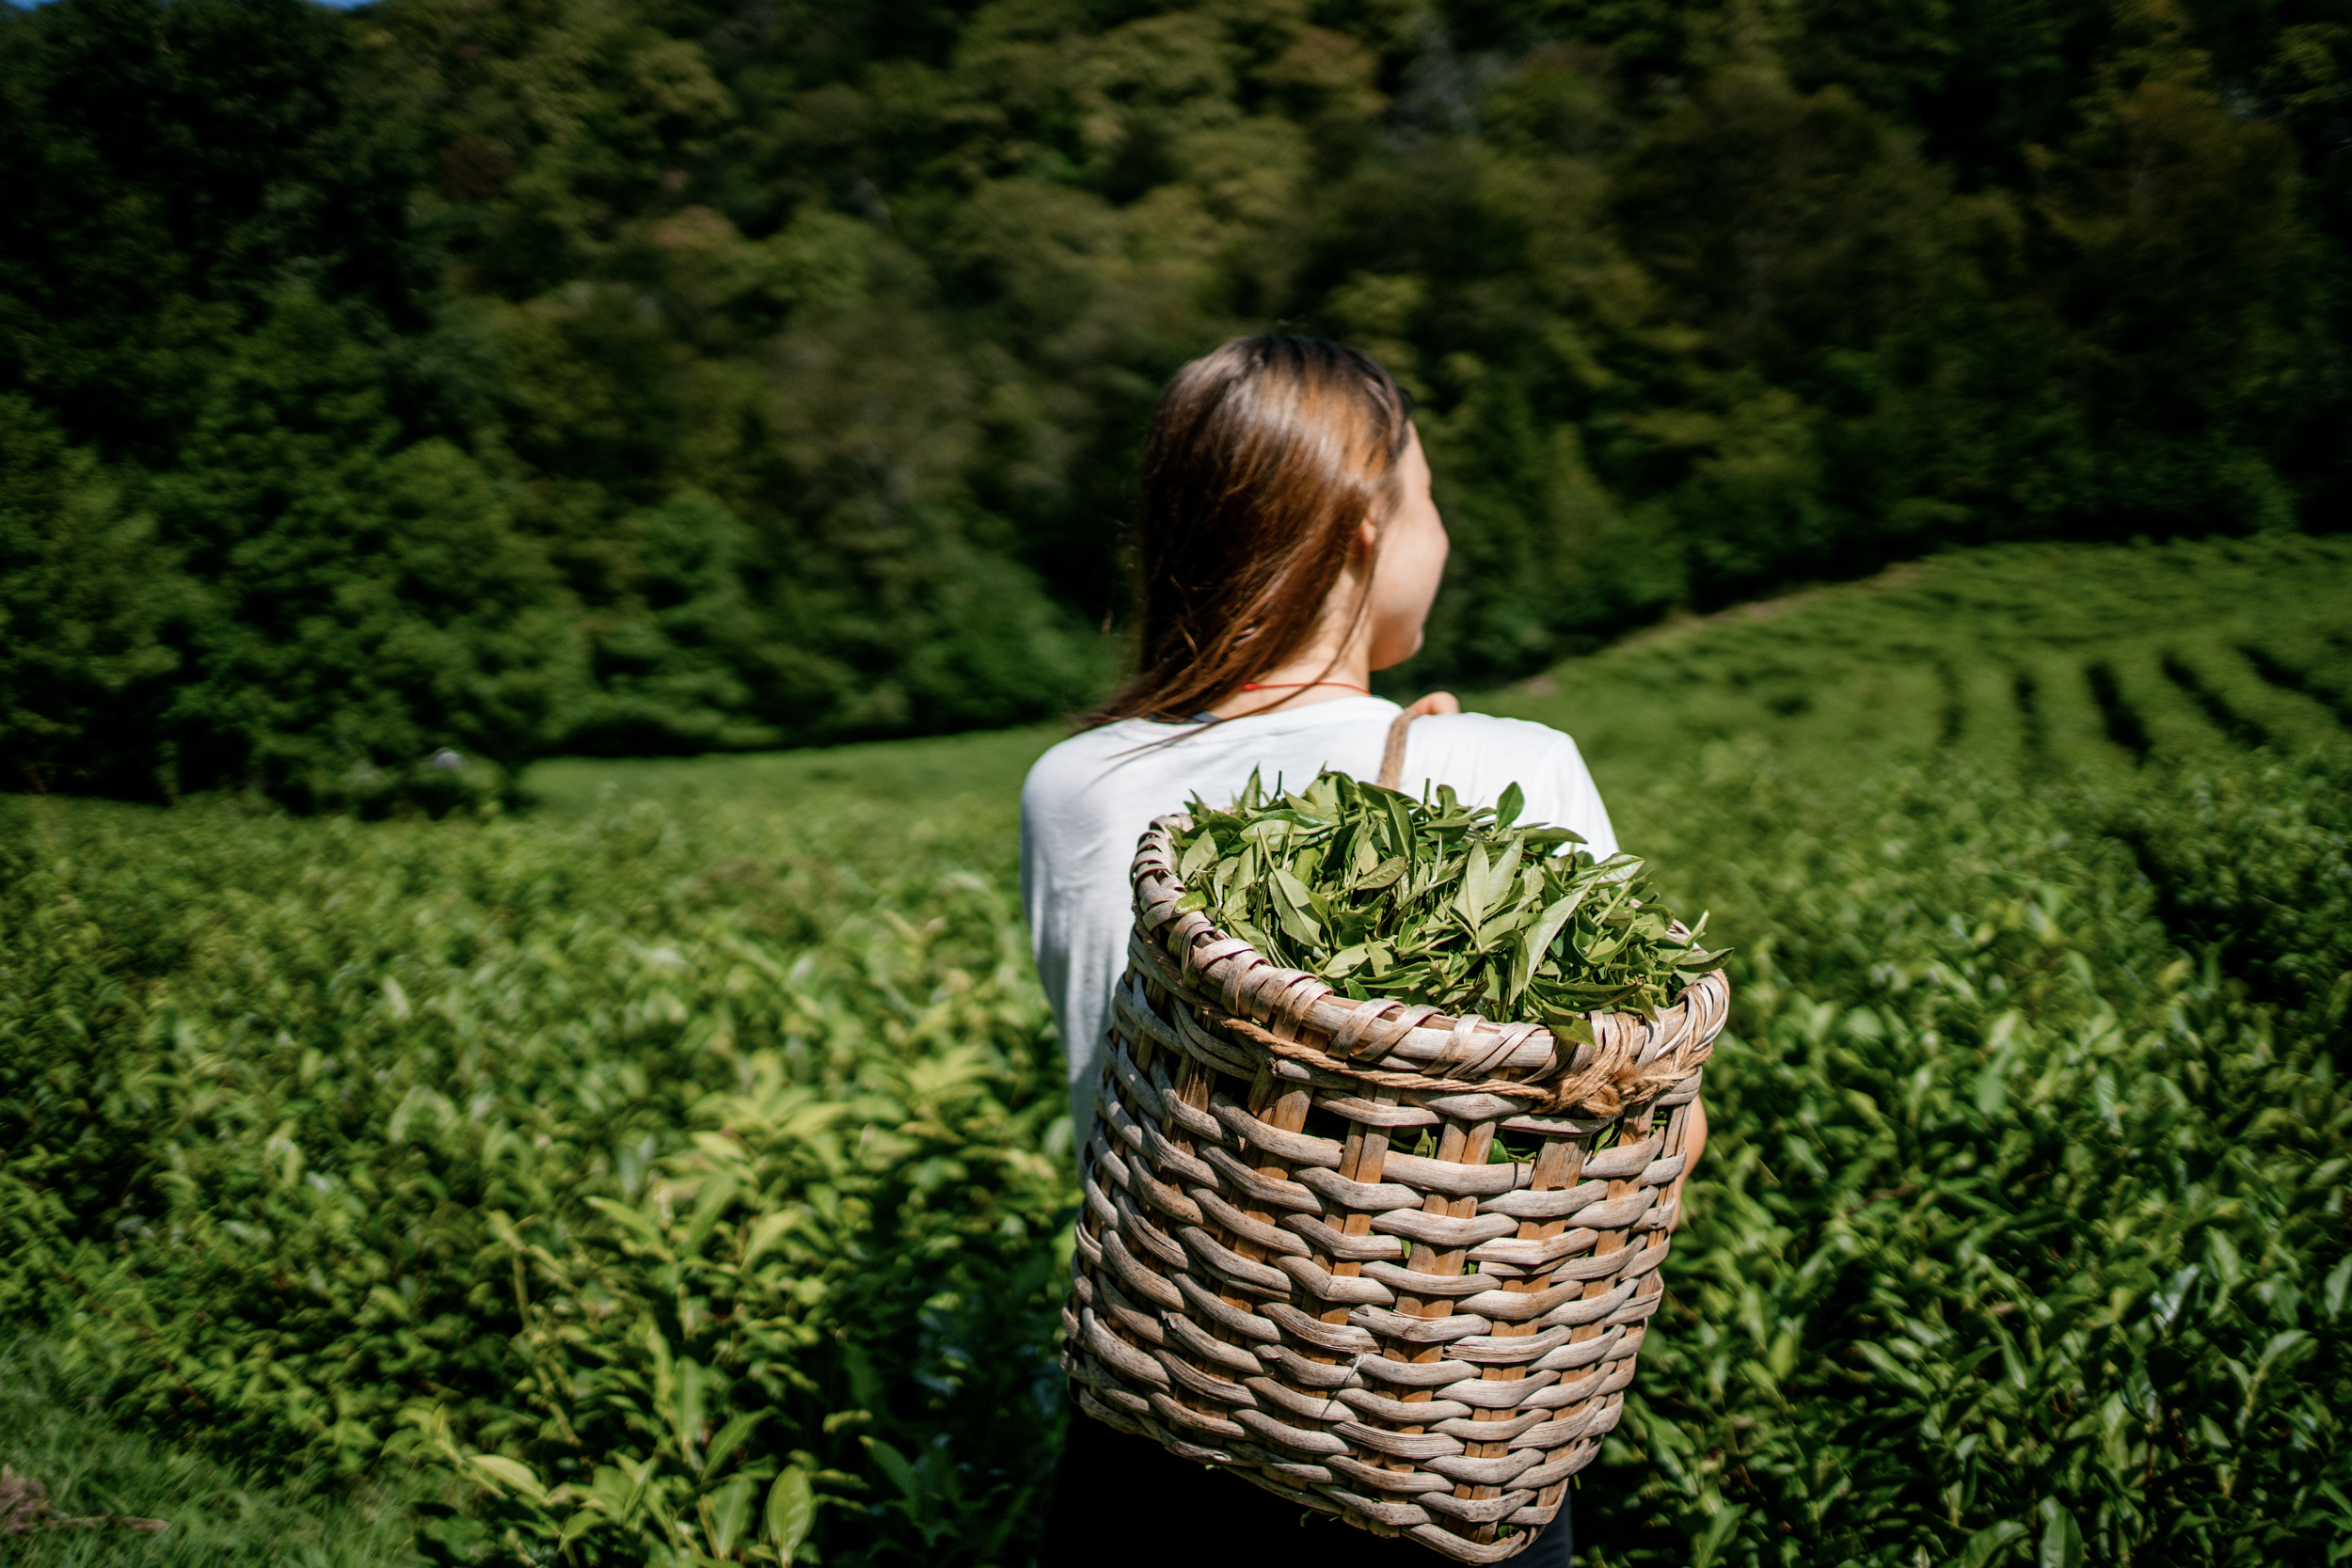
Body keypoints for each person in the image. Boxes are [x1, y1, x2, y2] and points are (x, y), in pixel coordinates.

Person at [1022, 335, 1707, 1566]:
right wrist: (1443, 763)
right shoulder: (1512, 767)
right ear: (1362, 526)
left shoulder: (1075, 784)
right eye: (1430, 500)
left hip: (1165, 1409)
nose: (1441, 536)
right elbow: (1655, 1128)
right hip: (1437, 1439)